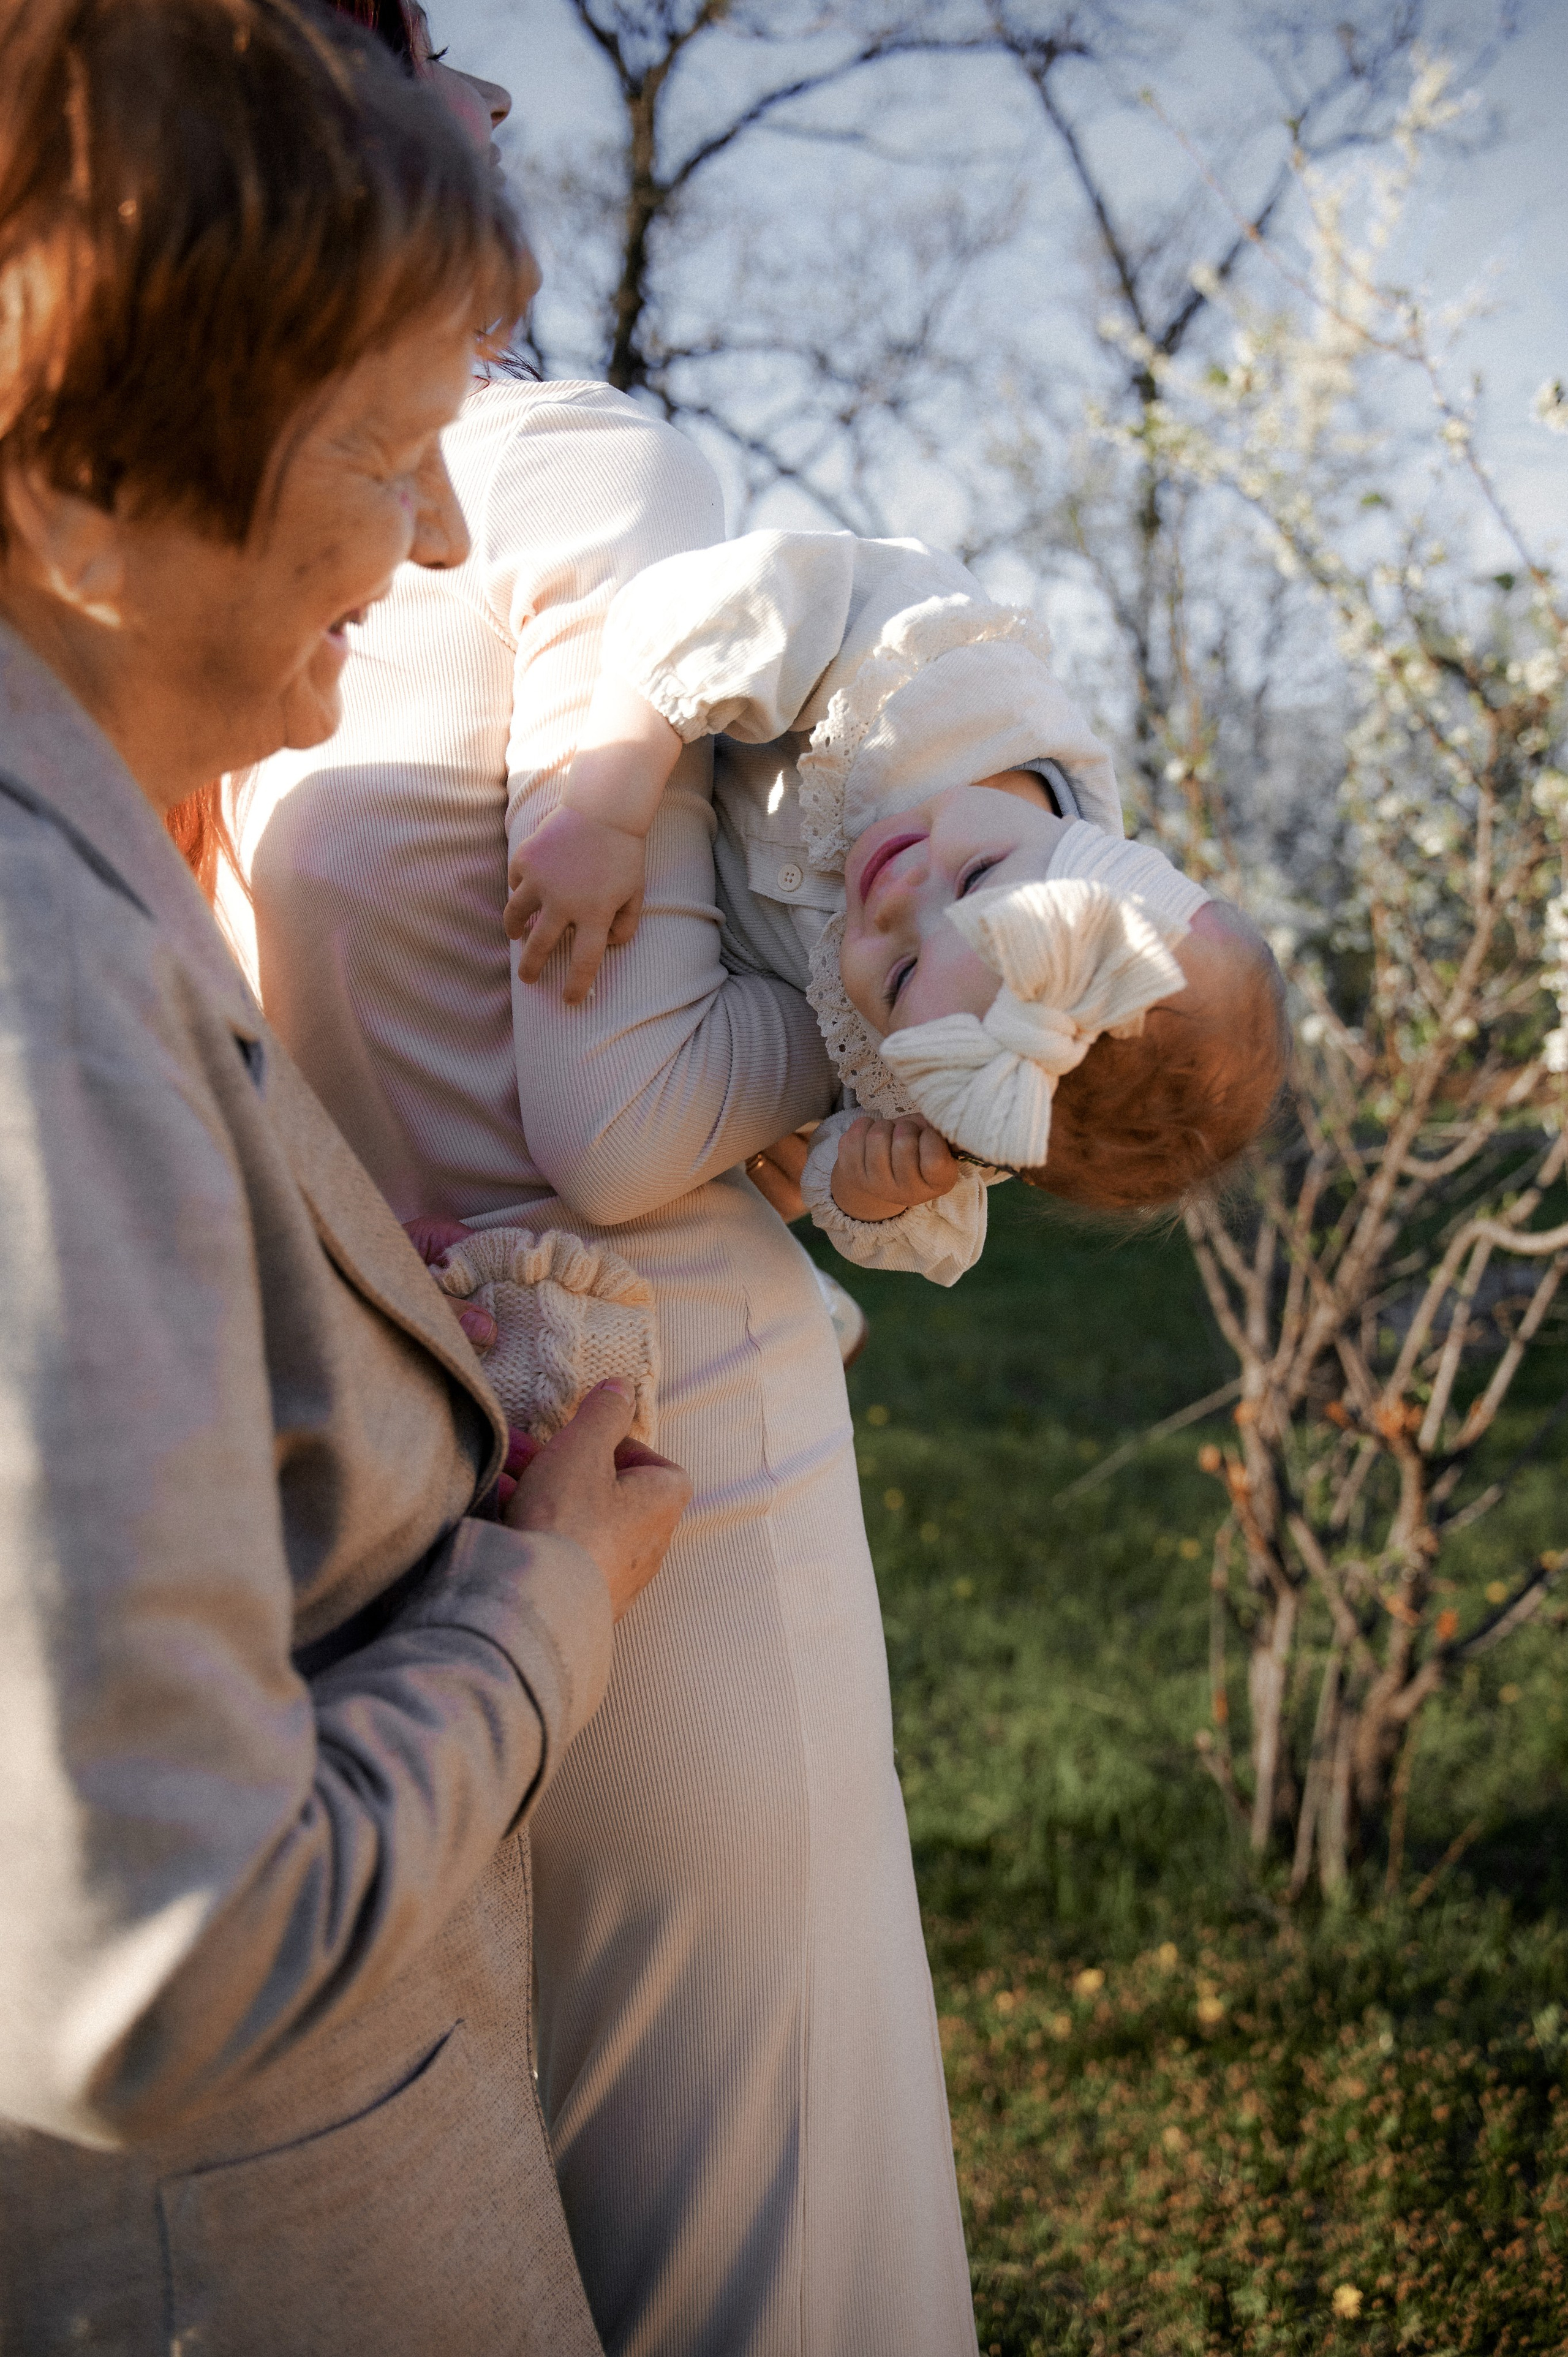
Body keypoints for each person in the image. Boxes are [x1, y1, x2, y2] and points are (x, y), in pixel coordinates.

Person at [219, 6, 981, 2350]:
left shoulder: (570, 474)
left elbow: (712, 1014)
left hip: (667, 1467)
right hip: (365, 1537)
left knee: (741, 2261)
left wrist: (913, 1023)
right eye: (418, 54)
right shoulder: (194, 536)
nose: (489, 107)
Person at [0, 6, 688, 2351]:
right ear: (101, 451)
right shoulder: (37, 977)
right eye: (392, 442)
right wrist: (547, 1595)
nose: (451, 530)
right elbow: (153, 1961)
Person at [508, 528, 1289, 1288]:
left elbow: (910, 1202)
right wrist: (605, 815)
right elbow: (721, 604)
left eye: (904, 973)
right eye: (979, 876)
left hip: (714, 968)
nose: (901, 895)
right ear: (1107, 862)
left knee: (631, 1166)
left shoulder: (986, 1067)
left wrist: (866, 1185)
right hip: (658, 770)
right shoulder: (938, 690)